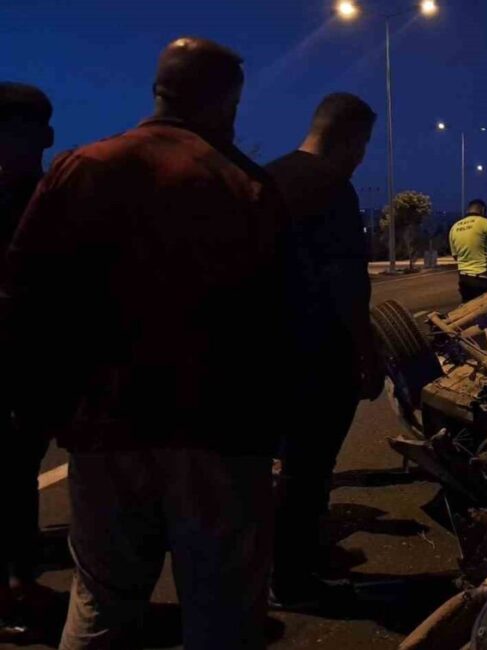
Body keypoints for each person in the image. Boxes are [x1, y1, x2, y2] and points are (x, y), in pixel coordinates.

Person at [4, 37, 289, 649]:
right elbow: (275, 318)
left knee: (102, 601)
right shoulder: (244, 186)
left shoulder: (84, 168)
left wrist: (45, 408)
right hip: (217, 430)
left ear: (160, 90)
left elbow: (25, 298)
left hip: (106, 427)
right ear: (225, 101)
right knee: (221, 610)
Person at [264, 93, 383, 610]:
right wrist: (368, 351)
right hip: (319, 352)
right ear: (350, 137)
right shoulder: (333, 187)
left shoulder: (265, 178)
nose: (361, 157)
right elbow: (346, 281)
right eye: (363, 145)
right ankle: (293, 578)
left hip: (267, 348)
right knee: (308, 470)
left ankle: (289, 558)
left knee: (280, 464)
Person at [0, 82, 56, 641]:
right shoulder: (32, 199)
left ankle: (19, 581)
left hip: (28, 368)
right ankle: (12, 590)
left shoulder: (39, 196)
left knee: (16, 480)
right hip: (16, 368)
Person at [449, 199, 487, 301]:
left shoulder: (454, 227)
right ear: (482, 210)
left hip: (463, 278)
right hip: (483, 278)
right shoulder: (484, 223)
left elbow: (455, 256)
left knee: (466, 308)